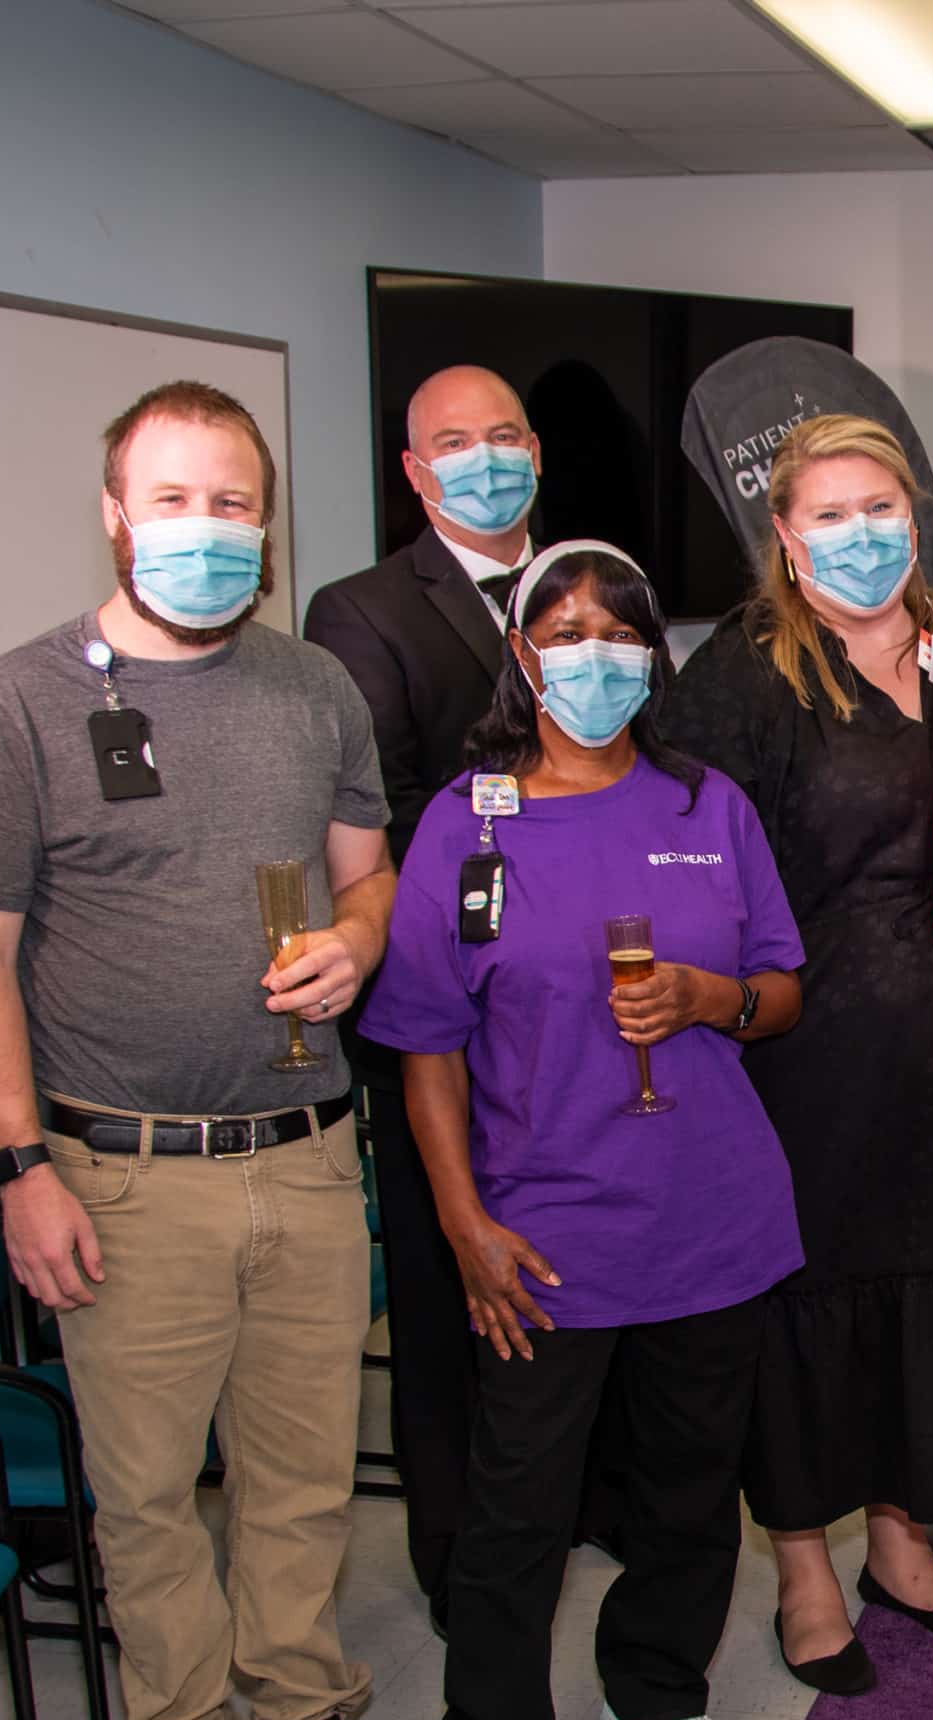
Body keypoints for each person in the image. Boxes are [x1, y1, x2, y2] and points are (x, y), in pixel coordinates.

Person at [0, 380, 447, 1720]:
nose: (204, 530)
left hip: (303, 1151)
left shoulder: (315, 689)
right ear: (114, 510)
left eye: (231, 503)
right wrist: (19, 1170)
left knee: (298, 1480)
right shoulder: (21, 702)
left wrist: (352, 942)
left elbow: (373, 877)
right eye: (173, 500)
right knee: (147, 1495)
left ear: (265, 520)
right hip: (118, 1174)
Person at [361, 541, 800, 1720]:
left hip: (713, 1215)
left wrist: (707, 994)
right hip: (545, 1233)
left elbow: (782, 985)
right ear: (522, 657)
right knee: (516, 1516)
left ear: (651, 656)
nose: (593, 653)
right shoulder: (467, 822)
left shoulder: (706, 800)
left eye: (619, 630)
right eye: (563, 629)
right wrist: (460, 1223)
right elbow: (425, 1042)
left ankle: (656, 1698)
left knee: (688, 1491)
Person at [667, 414, 933, 1694]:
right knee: (807, 1306)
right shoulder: (748, 674)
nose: (864, 535)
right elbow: (697, 868)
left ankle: (903, 1549)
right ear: (785, 539)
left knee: (930, 1284)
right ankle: (807, 1572)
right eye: (832, 514)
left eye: (885, 509)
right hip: (807, 1052)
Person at [306, 364, 544, 1631]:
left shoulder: (584, 586)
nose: (483, 458)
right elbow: (380, 816)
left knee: (569, 1263)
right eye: (454, 442)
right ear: (414, 471)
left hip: (577, 1016)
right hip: (439, 1007)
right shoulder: (359, 611)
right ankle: (459, 1561)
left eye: (503, 435)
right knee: (456, 1291)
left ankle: (577, 1505)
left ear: (537, 450)